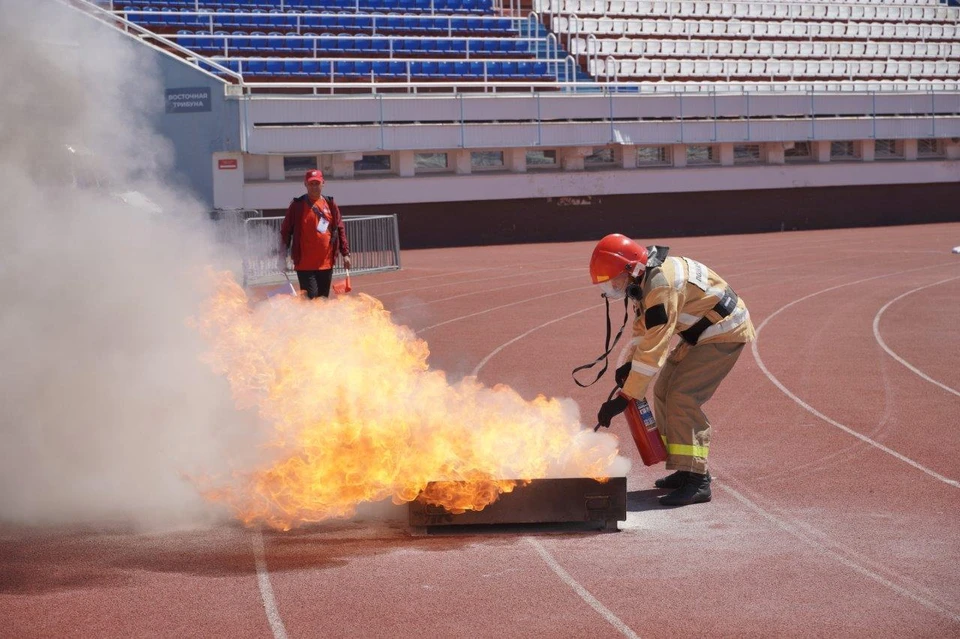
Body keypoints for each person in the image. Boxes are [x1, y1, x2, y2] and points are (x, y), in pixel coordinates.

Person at [590, 234, 755, 507]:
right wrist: (629, 362)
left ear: (631, 269)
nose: (613, 288)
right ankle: (685, 468)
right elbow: (644, 329)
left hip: (724, 331)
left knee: (682, 396)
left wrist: (624, 397)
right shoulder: (648, 279)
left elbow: (655, 348)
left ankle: (698, 480)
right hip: (702, 331)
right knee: (663, 390)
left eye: (615, 280)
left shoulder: (660, 288)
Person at [279, 169, 351, 299]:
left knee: (323, 301)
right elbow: (285, 231)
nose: (314, 187)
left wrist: (345, 254)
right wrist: (283, 256)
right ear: (305, 184)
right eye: (311, 183)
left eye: (317, 183)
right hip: (304, 264)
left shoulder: (330, 203)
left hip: (326, 263)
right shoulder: (297, 205)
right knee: (311, 301)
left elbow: (340, 228)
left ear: (323, 183)